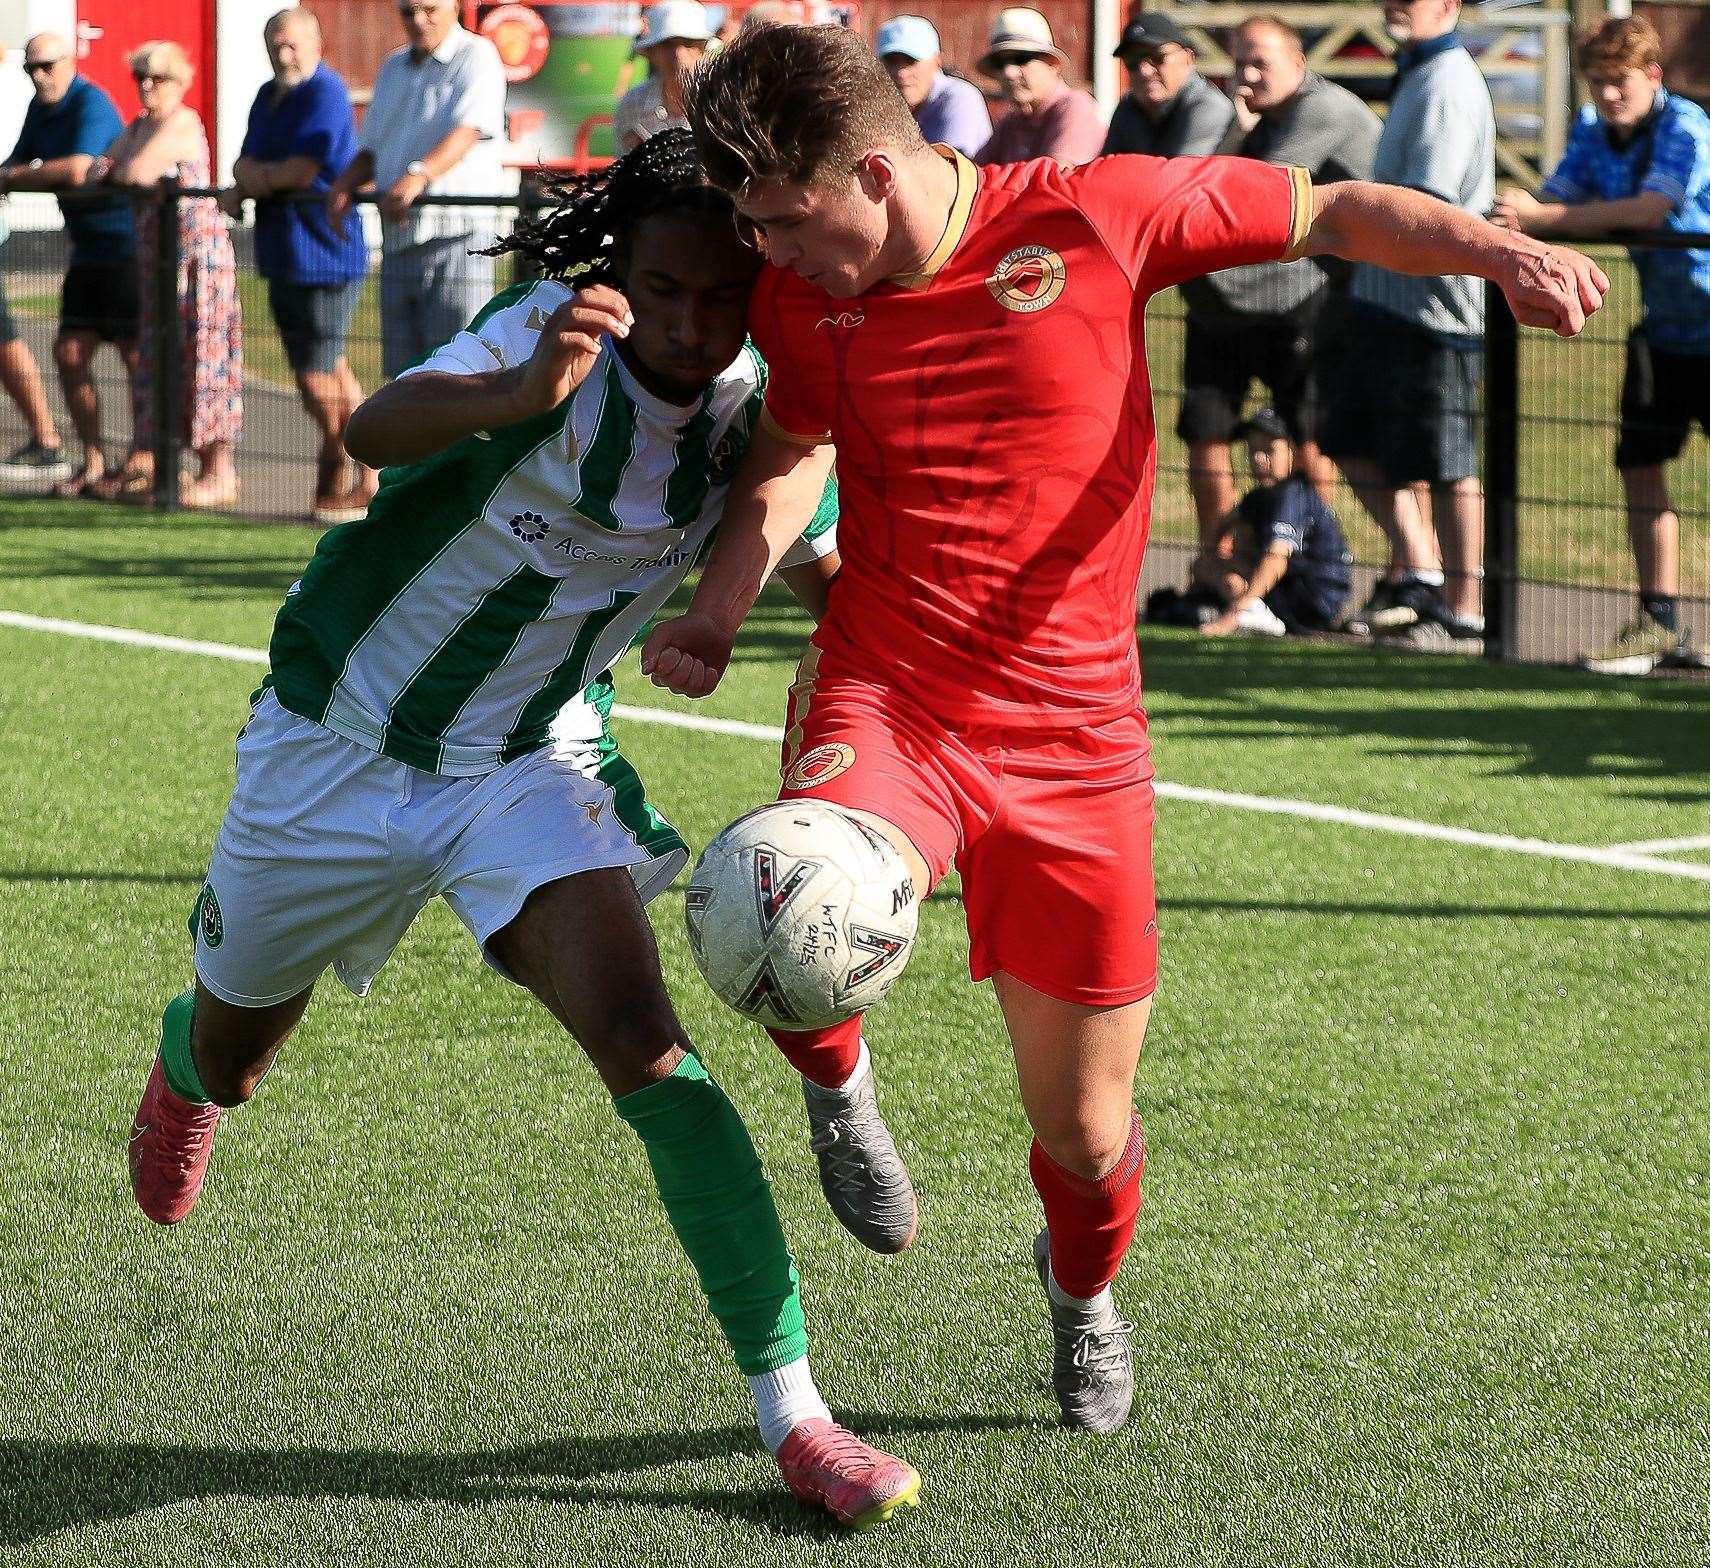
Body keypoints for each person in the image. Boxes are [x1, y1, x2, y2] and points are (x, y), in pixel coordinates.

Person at [641, 22, 1605, 1435]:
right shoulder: (804, 297)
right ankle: (836, 1084)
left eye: (784, 220)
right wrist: (721, 609)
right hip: (890, 689)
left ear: (871, 169)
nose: (766, 256)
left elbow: (1329, 209)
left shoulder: (1091, 212)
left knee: (1083, 1138)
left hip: (1076, 740)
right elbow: (792, 452)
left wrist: (1497, 251)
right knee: (782, 893)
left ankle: (1082, 1295)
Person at [125, 129, 918, 1531]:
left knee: (651, 1052)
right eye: (660, 290)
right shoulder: (536, 344)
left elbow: (823, 563)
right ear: (617, 274)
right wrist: (518, 387)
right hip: (331, 748)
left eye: (716, 299)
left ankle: (796, 1415)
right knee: (244, 1039)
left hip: (521, 765)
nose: (686, 324)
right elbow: (371, 432)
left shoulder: (756, 413)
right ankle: (193, 1071)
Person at [1494, 16, 1710, 675]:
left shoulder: (1687, 128)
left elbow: (1651, 209)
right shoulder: (1594, 130)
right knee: (1639, 466)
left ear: (1651, 76)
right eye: (1597, 85)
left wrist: (1539, 218)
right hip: (1665, 331)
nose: (1608, 97)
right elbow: (1557, 194)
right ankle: (1658, 621)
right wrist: (1514, 212)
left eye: (1619, 83)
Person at [1317, 0, 1494, 645]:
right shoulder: (1416, 70)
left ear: (1448, 6)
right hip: (1379, 296)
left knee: (1448, 462)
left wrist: (1354, 218)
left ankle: (1466, 609)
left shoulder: (1446, 78)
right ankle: (1420, 577)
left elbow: (1430, 201)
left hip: (1434, 305)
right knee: (1353, 442)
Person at [1177, 15, 1379, 546]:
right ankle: (1221, 566)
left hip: (1328, 297)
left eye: (1259, 63)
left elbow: (1259, 198)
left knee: (1314, 436)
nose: (1246, 75)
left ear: (1299, 63)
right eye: (1239, 62)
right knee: (1208, 428)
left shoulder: (1322, 109)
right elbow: (1199, 190)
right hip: (1245, 296)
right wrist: (1238, 130)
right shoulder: (1259, 116)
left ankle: (1311, 561)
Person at [226, 8, 374, 524]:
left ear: (316, 43)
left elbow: (303, 168)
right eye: (274, 44)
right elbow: (243, 161)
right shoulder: (268, 96)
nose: (281, 54)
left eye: (290, 44)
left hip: (327, 255)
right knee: (326, 369)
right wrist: (259, 177)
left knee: (317, 375)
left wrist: (258, 180)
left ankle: (337, 461)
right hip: (282, 253)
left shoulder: (325, 93)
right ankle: (371, 470)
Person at [89, 40, 242, 509]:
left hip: (199, 263)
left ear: (180, 82)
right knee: (161, 361)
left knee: (205, 361)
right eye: (141, 77)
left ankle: (218, 473)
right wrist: (117, 170)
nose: (148, 87)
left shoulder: (183, 123)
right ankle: (162, 465)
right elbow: (101, 167)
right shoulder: (139, 126)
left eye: (158, 77)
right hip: (158, 266)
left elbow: (133, 172)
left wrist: (120, 171)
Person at [327, 0, 515, 381]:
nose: (418, 20)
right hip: (399, 237)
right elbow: (372, 148)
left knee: (460, 371)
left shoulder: (477, 56)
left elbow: (469, 131)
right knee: (404, 378)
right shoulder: (393, 67)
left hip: (457, 235)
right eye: (408, 11)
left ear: (456, 8)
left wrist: (419, 174)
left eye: (429, 9)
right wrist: (343, 185)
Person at [0, 34, 137, 498]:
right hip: (86, 250)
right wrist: (15, 172)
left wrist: (14, 176)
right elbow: (17, 159)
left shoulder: (90, 103)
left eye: (47, 66)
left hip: (126, 248)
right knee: (70, 354)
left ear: (69, 61)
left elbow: (78, 168)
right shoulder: (41, 108)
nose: (39, 76)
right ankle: (94, 460)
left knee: (136, 358)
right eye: (31, 68)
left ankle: (144, 460)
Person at [1191, 409, 1353, 637]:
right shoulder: (1259, 497)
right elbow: (1227, 526)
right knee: (1205, 566)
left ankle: (1250, 611)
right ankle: (1255, 609)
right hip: (1287, 588)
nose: (1258, 458)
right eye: (1253, 450)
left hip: (1312, 598)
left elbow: (1276, 561)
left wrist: (1232, 615)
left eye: (1268, 450)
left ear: (1293, 454)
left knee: (1221, 572)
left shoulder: (1294, 495)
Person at [973, 8, 1104, 167]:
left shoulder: (1076, 107)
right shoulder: (1011, 121)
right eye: (1000, 64)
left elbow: (1055, 180)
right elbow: (976, 176)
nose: (1008, 72)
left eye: (1021, 59)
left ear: (1052, 65)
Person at [1101, 13, 1232, 158]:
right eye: (1132, 60)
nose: (1144, 71)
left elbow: (1181, 177)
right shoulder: (1128, 107)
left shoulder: (1209, 107)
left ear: (1188, 59)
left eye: (1157, 57)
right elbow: (1103, 172)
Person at [876, 15, 991, 161]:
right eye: (891, 62)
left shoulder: (961, 98)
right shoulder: (881, 106)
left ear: (938, 61)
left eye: (911, 61)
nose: (901, 73)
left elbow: (951, 172)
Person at [615, 2, 711, 154]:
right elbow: (626, 172)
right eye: (668, 45)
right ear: (652, 53)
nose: (678, 54)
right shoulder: (632, 105)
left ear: (702, 50)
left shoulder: (722, 104)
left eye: (688, 43)